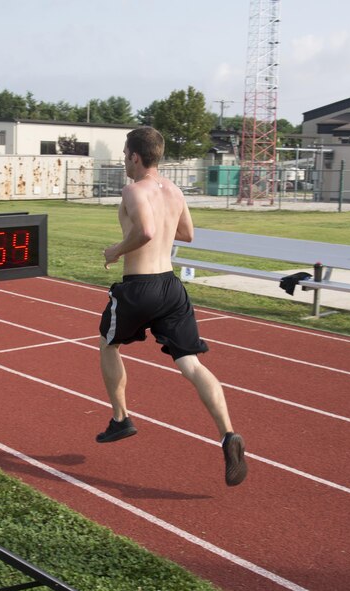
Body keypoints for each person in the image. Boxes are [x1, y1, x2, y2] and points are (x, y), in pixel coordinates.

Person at [96, 126, 247, 487]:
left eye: (124, 154)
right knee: (191, 364)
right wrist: (162, 228)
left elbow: (146, 231)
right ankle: (228, 434)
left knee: (107, 343)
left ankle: (121, 419)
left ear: (135, 156)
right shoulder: (175, 191)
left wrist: (116, 250)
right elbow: (187, 234)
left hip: (139, 286)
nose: (123, 160)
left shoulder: (133, 189)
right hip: (170, 286)